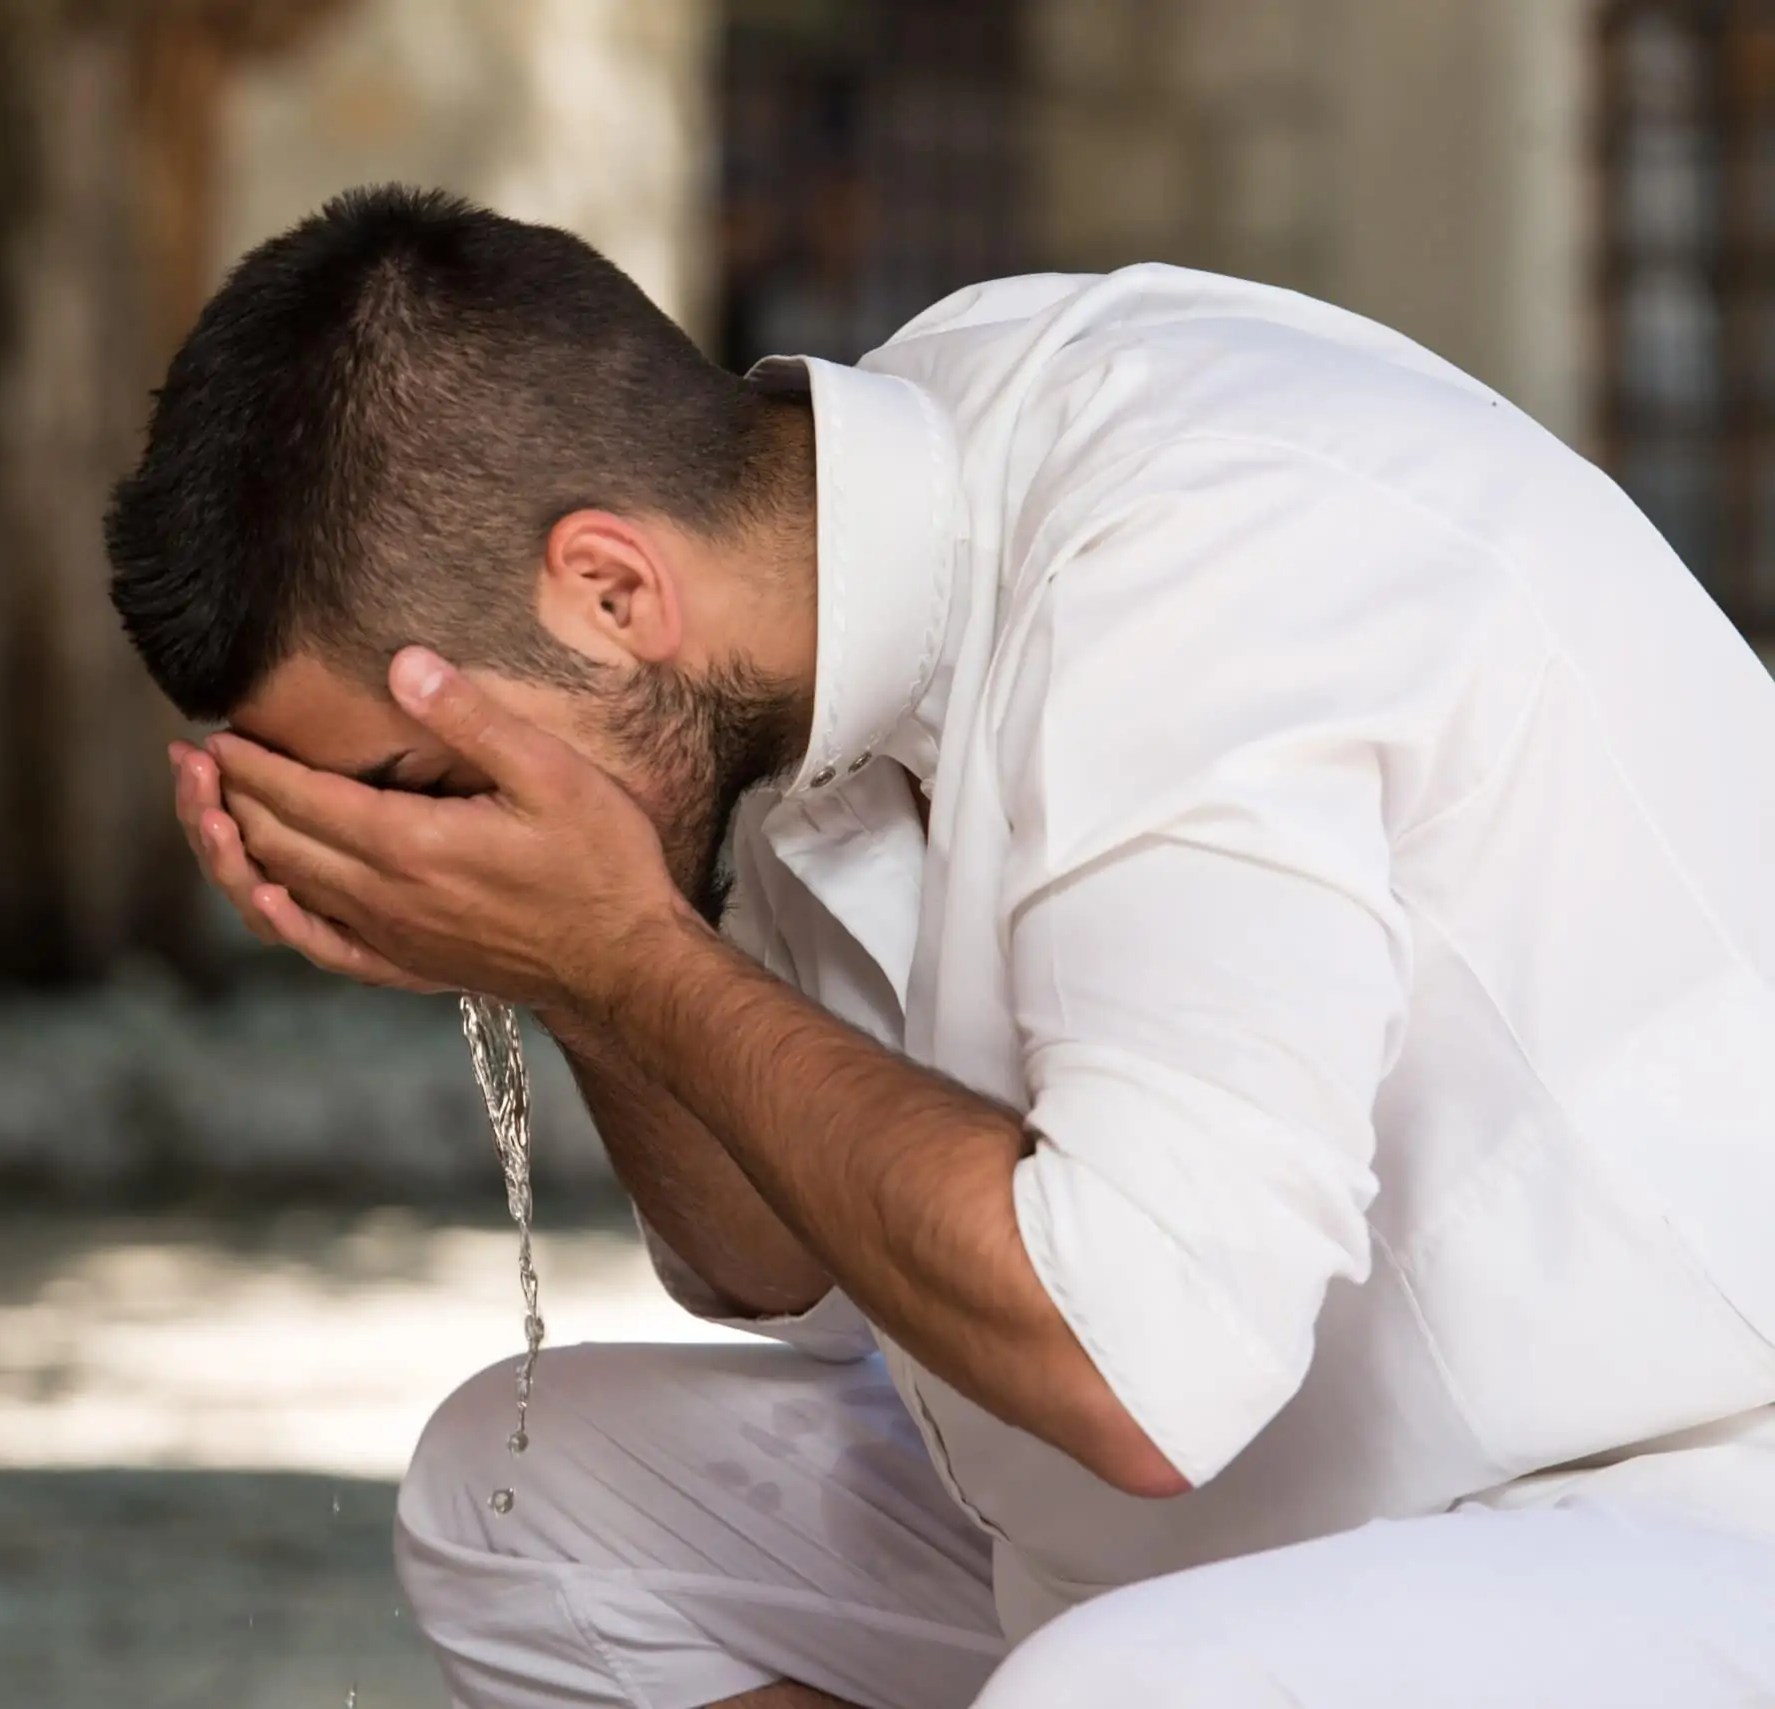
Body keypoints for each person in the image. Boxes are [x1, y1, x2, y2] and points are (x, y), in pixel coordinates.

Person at [103, 185, 1775, 1707]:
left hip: (1671, 1497)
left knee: (1118, 1693)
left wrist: (619, 952)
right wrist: (567, 963)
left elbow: (1131, 1373)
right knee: (521, 1499)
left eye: (418, 781)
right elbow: (771, 1260)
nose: (420, 839)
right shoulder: (800, 575)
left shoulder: (1192, 561)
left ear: (611, 591)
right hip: (1261, 1515)